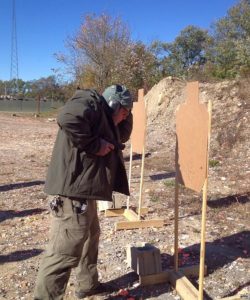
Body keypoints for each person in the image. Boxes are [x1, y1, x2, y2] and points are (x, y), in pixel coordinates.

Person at [34, 84, 133, 300]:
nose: (125, 118)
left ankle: (88, 285)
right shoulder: (91, 103)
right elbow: (67, 117)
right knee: (63, 253)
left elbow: (122, 136)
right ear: (113, 105)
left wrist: (127, 111)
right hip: (71, 193)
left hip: (84, 192)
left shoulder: (105, 117)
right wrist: (94, 145)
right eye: (124, 113)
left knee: (90, 237)